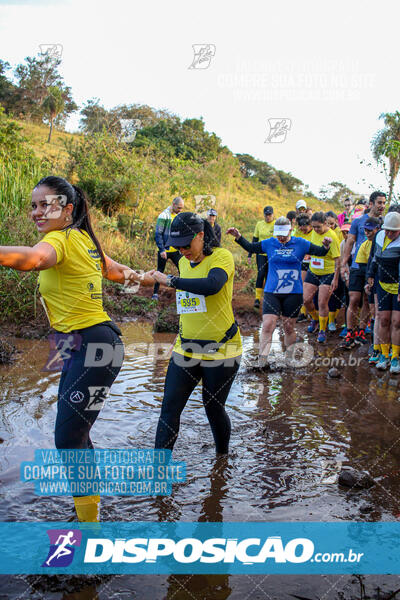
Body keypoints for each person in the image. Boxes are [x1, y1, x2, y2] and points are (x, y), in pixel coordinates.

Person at [0, 176, 154, 522]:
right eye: (34, 205)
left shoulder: (60, 240)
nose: (37, 212)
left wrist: (150, 279)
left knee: (68, 438)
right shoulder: (84, 239)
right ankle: (89, 514)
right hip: (91, 348)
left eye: (46, 205)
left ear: (67, 209)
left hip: (94, 348)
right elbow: (114, 271)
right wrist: (149, 278)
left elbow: (33, 260)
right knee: (76, 434)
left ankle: (90, 527)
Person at [153, 212, 242, 455]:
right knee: (169, 408)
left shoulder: (221, 258)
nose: (182, 251)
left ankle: (222, 459)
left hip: (223, 349)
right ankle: (159, 472)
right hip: (186, 348)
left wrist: (172, 281)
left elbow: (212, 286)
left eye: (186, 244)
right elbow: (188, 305)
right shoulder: (183, 262)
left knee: (213, 408)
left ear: (201, 235)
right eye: (177, 247)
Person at [226, 216, 331, 365]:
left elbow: (320, 252)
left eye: (284, 234)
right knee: (268, 324)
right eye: (278, 234)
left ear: (290, 230)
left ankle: (289, 359)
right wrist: (238, 237)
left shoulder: (301, 243)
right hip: (272, 291)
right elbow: (251, 247)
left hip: (293, 292)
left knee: (288, 327)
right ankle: (262, 360)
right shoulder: (270, 243)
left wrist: (326, 246)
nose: (281, 238)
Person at [341, 191, 386, 348]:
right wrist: (343, 265)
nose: (382, 206)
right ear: (371, 204)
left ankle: (361, 331)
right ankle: (349, 333)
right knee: (353, 298)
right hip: (357, 266)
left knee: (367, 300)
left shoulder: (384, 223)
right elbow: (350, 242)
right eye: (379, 202)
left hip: (374, 267)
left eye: (384, 203)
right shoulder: (358, 221)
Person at [366, 211, 400, 373]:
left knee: (397, 321)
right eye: (387, 230)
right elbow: (374, 258)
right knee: (384, 319)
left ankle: (395, 357)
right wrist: (370, 275)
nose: (389, 234)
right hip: (382, 284)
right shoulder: (379, 236)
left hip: (398, 285)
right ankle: (384, 355)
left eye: (394, 231)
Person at [303, 211, 341, 343]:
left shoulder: (333, 236)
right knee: (306, 299)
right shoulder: (314, 232)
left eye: (318, 227)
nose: (315, 229)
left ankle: (322, 330)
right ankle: (315, 318)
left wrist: (336, 278)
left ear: (325, 223)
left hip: (328, 272)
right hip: (313, 270)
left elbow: (337, 260)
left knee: (322, 302)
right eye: (313, 227)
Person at [152, 196, 185, 300]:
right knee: (160, 271)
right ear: (173, 204)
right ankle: (155, 294)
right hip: (165, 250)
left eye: (182, 208)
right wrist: (162, 249)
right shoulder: (164, 215)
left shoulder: (178, 216)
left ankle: (182, 293)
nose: (180, 210)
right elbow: (158, 234)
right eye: (179, 207)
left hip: (176, 250)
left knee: (183, 269)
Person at [248, 206, 275, 309]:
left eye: (270, 215)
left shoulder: (276, 224)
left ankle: (268, 299)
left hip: (272, 255)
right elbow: (254, 240)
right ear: (263, 215)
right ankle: (257, 299)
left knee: (269, 276)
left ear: (273, 215)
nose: (268, 217)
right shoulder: (259, 224)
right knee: (261, 274)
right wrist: (250, 254)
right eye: (266, 215)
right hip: (261, 254)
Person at [293, 214, 313, 322]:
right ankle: (303, 313)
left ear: (309, 225)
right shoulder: (298, 232)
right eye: (300, 228)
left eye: (304, 228)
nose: (302, 230)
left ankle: (315, 314)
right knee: (301, 285)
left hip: (315, 262)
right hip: (302, 262)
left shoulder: (314, 232)